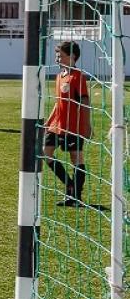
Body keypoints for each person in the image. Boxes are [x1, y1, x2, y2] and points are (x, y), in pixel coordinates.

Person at [42, 41, 91, 206]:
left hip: (73, 126)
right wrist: (48, 123)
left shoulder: (78, 76)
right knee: (45, 152)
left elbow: (85, 101)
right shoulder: (59, 76)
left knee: (76, 158)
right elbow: (58, 103)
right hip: (57, 124)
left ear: (72, 57)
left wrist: (87, 125)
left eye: (60, 55)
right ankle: (70, 185)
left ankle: (75, 197)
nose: (57, 58)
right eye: (57, 55)